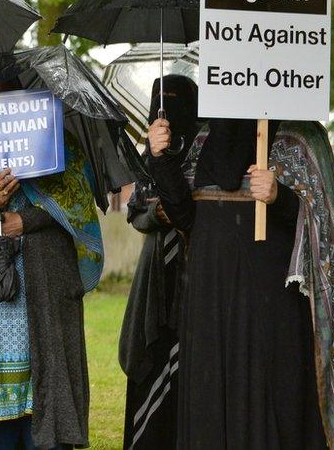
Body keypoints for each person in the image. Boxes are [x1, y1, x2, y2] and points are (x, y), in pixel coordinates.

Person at [147, 109, 334, 447]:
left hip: (272, 306)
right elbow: (184, 217)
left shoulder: (301, 137)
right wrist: (161, 159)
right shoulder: (203, 138)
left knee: (271, 398)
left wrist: (280, 196)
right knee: (210, 400)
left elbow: (320, 227)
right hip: (209, 301)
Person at [0, 84, 104, 450]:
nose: (0, 99)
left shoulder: (57, 140)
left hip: (46, 286)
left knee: (46, 386)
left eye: (8, 92)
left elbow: (78, 208)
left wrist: (26, 219)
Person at [118, 75, 197, 449]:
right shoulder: (147, 151)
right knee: (151, 358)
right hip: (154, 276)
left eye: (178, 101)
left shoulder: (203, 147)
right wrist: (157, 214)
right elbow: (135, 213)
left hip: (196, 269)